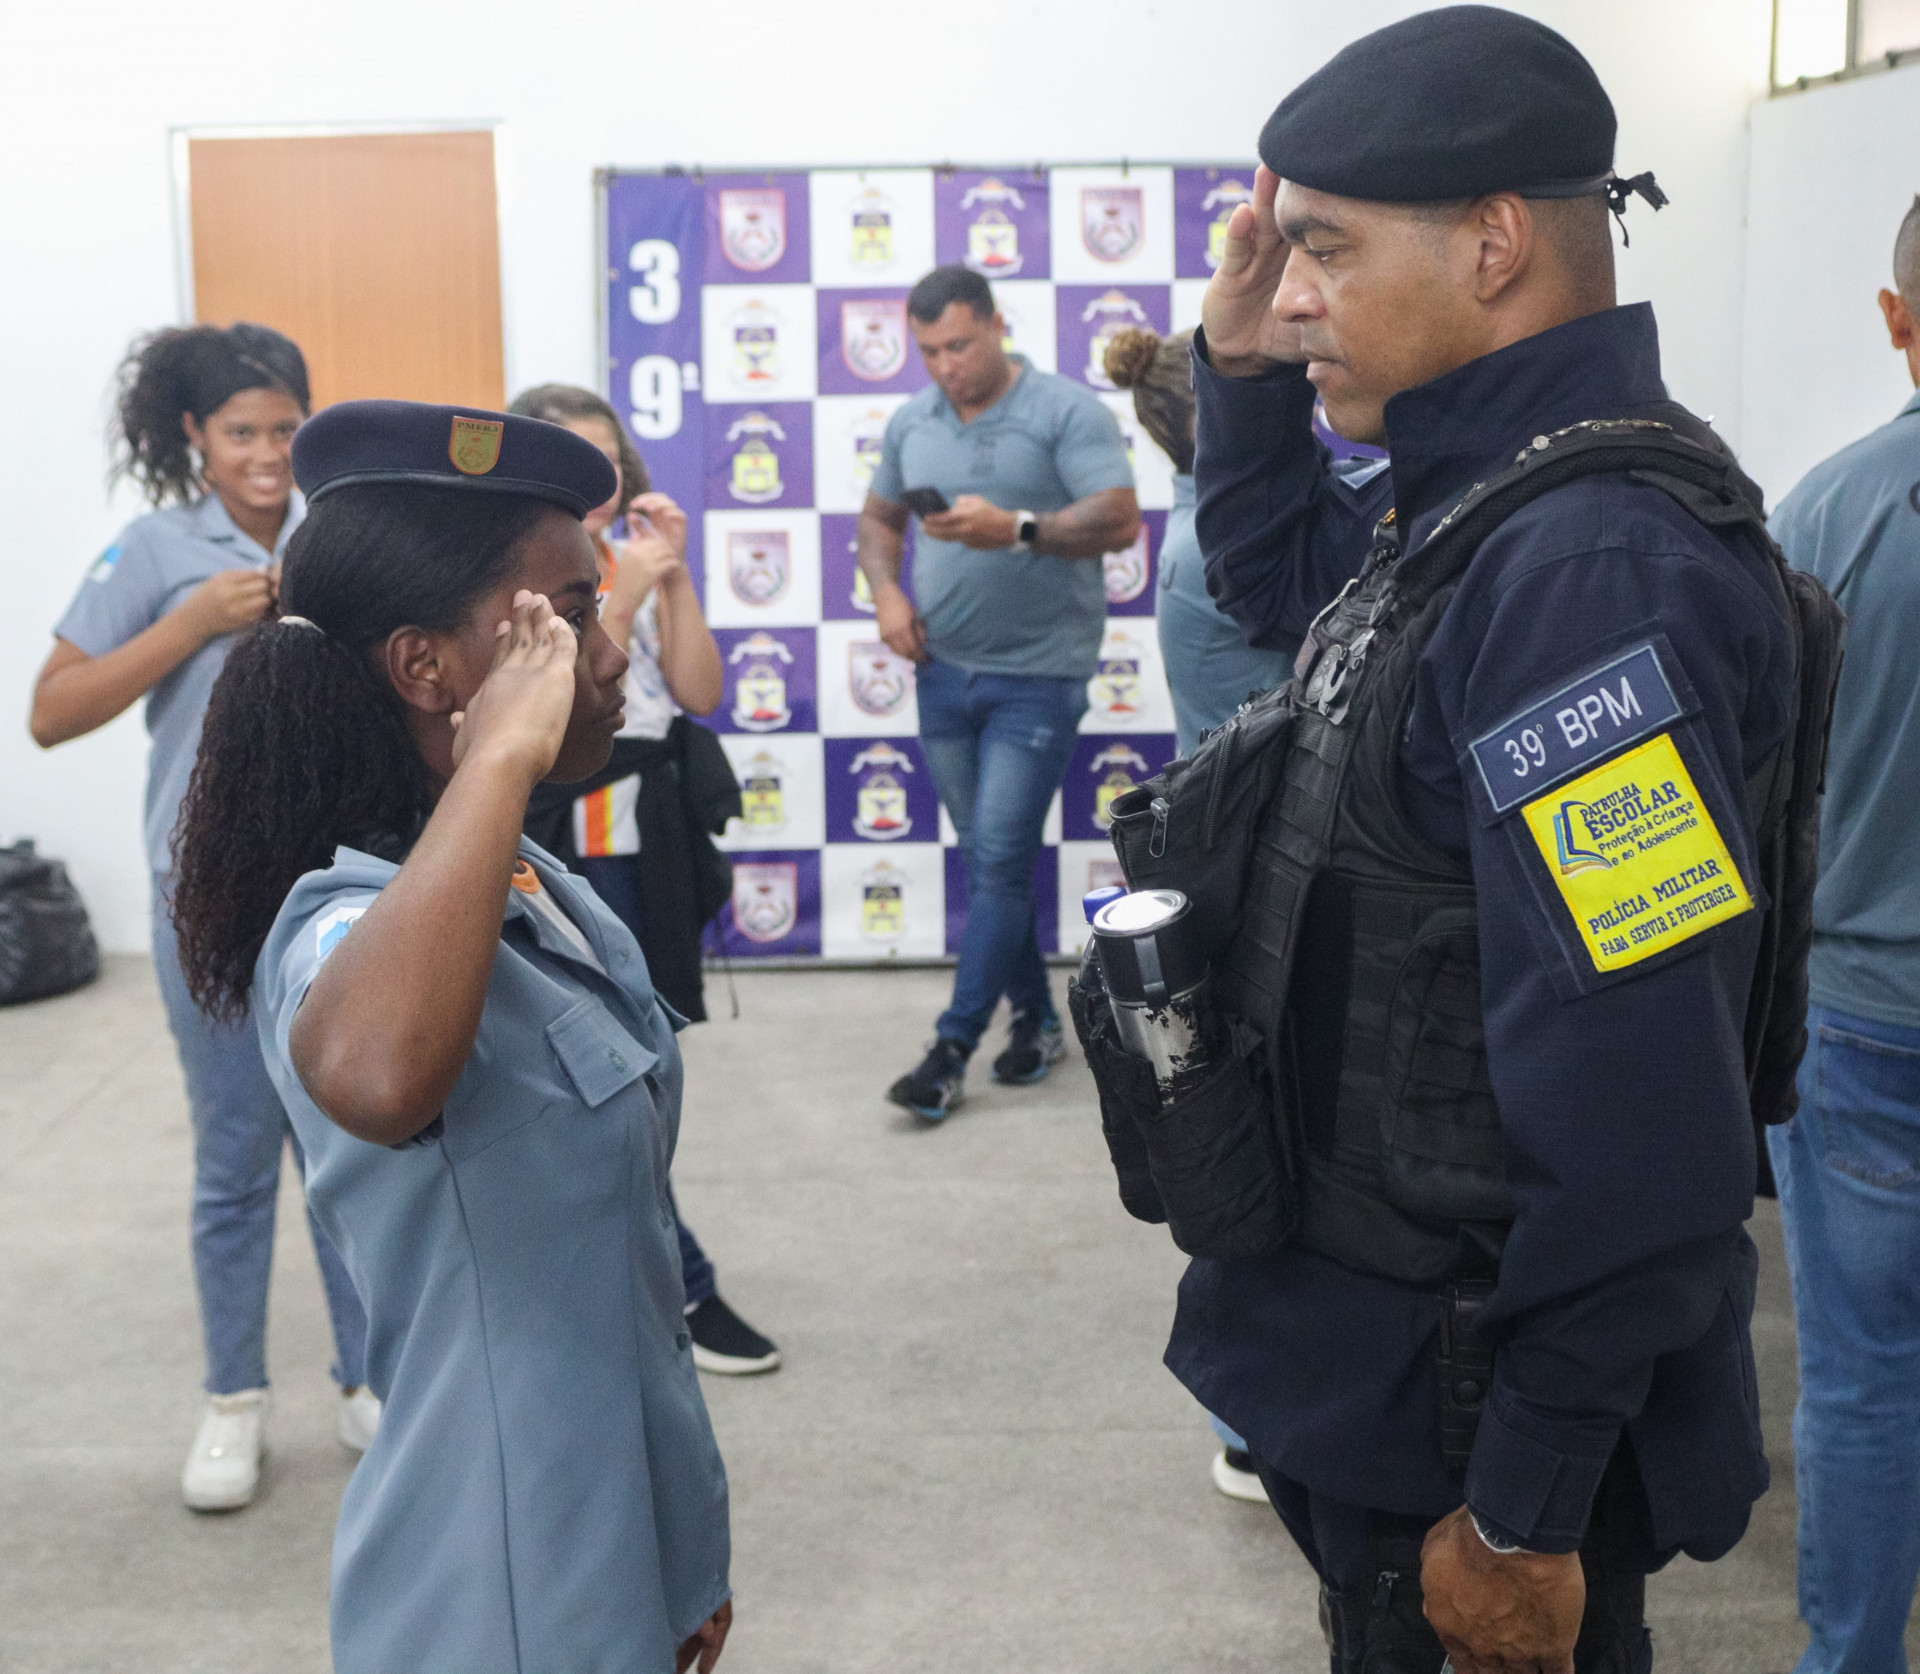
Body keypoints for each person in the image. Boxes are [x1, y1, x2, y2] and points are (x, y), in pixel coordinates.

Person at [1152, 11, 1812, 1671]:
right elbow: (1292, 597)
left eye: (1322, 248)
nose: (1288, 289)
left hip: (1472, 1434)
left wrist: (1524, 1506)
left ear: (1498, 243)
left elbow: (1641, 1098)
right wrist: (1240, 383)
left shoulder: (1590, 569)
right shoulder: (1478, 505)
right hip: (1381, 1384)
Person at [167, 399, 732, 1674]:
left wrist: (682, 1550)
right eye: (568, 619)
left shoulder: (522, 880)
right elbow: (374, 1072)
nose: (608, 655)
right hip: (497, 1586)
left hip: (612, 1541)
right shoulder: (341, 929)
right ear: (427, 669)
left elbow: (620, 1281)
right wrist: (499, 764)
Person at [29, 323, 373, 1511]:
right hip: (209, 904)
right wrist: (189, 624)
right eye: (242, 433)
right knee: (237, 1162)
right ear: (195, 437)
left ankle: (368, 1379)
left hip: (339, 896)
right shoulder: (155, 549)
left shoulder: (341, 536)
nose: (268, 454)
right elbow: (51, 712)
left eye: (286, 429)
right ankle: (234, 1402)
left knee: (352, 1147)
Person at [509, 384, 779, 1377]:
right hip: (560, 820)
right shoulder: (512, 574)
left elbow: (701, 692)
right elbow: (573, 686)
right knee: (594, 1059)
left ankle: (647, 1265)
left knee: (649, 1044)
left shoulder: (638, 553)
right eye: (571, 461)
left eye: (606, 460)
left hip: (649, 824)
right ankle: (684, 1280)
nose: (594, 482)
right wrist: (619, 590)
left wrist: (672, 582)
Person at [859, 264, 1140, 1120]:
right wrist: (887, 592)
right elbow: (878, 522)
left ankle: (950, 1049)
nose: (946, 365)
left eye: (959, 344)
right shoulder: (914, 420)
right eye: (929, 351)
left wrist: (1015, 528)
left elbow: (1121, 517)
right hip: (941, 674)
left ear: (994, 324)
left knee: (999, 856)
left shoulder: (1063, 410)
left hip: (1039, 677)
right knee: (992, 860)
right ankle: (1038, 1023)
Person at [1763, 197, 1920, 1674]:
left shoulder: (1820, 516)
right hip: (1862, 1016)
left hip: (1864, 1020)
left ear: (1896, 320)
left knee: (1867, 1378)